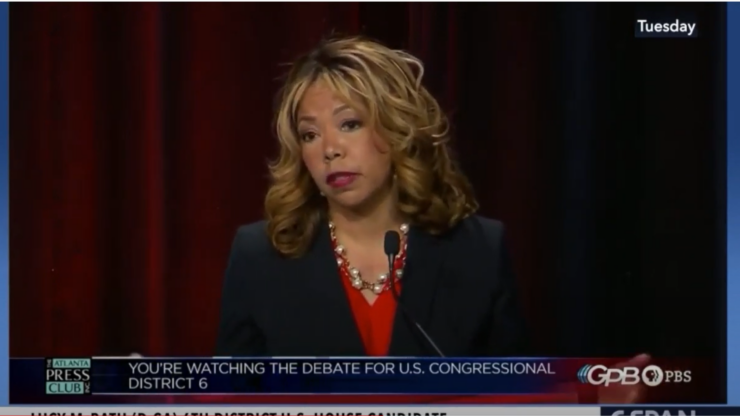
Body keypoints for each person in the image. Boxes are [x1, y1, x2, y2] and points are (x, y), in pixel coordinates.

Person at [215, 35, 648, 403]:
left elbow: (513, 398)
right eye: (309, 134)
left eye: (349, 124)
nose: (329, 149)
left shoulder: (478, 250)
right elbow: (229, 401)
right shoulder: (260, 257)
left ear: (397, 128)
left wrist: (587, 401)